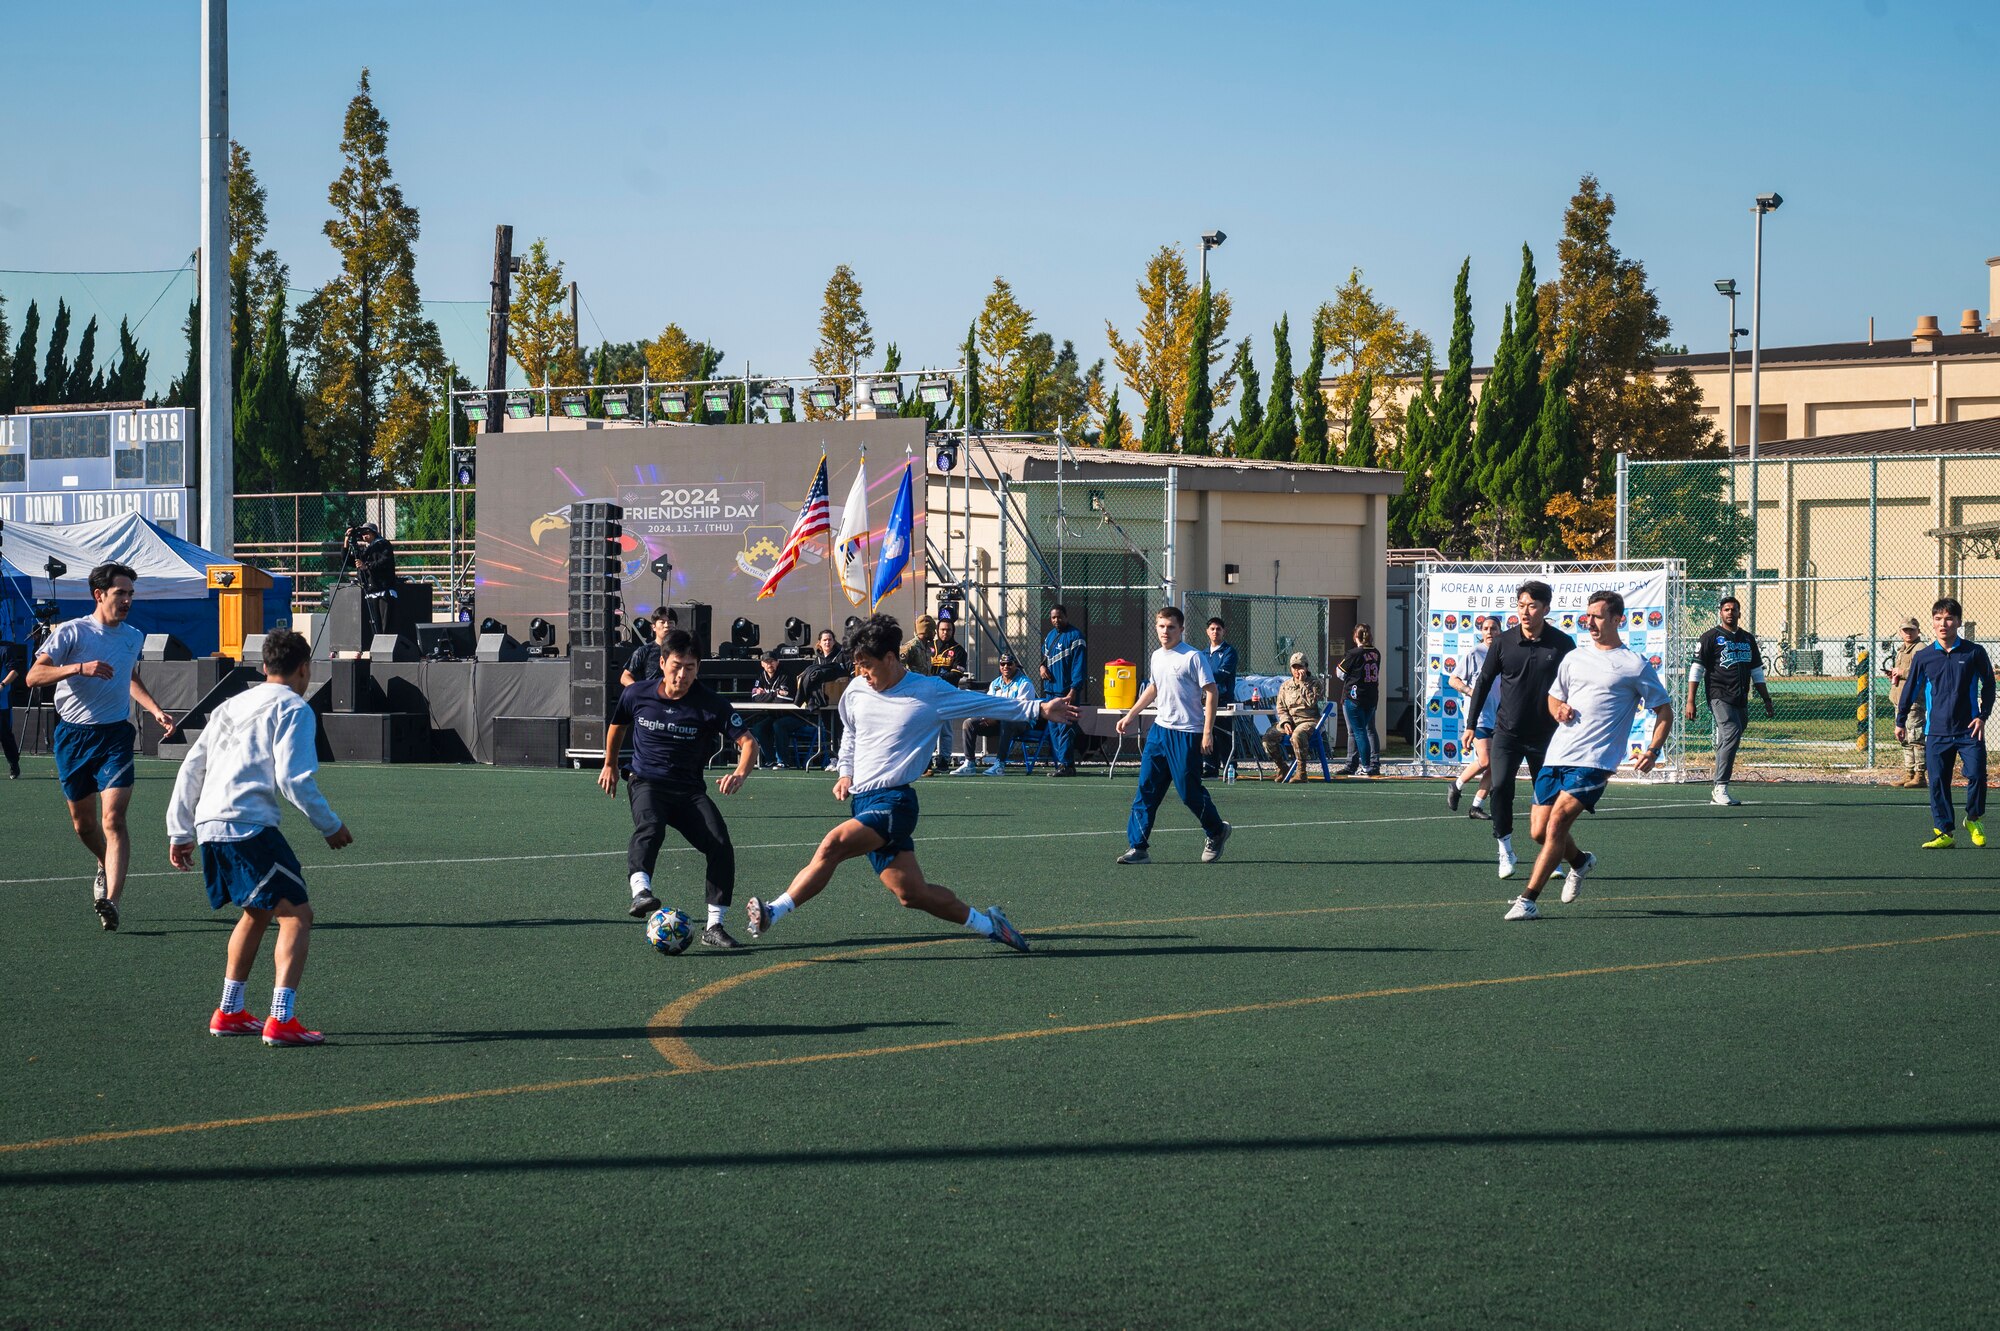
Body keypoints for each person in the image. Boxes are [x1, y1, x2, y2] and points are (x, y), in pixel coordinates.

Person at [743, 615, 1076, 951]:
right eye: (857, 666)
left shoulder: (928, 691)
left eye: (867, 666)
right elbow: (851, 734)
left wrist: (1041, 708)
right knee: (911, 894)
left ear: (890, 658)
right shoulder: (858, 688)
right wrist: (845, 771)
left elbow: (987, 703)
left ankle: (773, 911)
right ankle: (990, 925)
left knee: (833, 844)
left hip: (895, 804)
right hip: (863, 801)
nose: (862, 674)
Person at [166, 629, 351, 1045]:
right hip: (246, 825)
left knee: (258, 912)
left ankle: (230, 1011)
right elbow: (293, 778)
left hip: (211, 824)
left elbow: (191, 767)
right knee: (298, 916)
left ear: (264, 666)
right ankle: (281, 1019)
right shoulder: (295, 708)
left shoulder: (229, 706)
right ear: (305, 668)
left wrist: (179, 829)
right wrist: (330, 825)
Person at [1504, 590, 1673, 922]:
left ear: (1617, 619)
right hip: (1558, 755)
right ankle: (1580, 861)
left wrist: (1653, 751)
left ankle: (1528, 899)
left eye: (1597, 616)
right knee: (1538, 832)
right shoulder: (1574, 658)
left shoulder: (1634, 665)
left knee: (1556, 824)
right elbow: (1554, 699)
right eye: (1588, 615)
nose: (1590, 622)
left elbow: (1664, 712)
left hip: (1596, 760)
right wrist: (1559, 709)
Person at [25, 562, 174, 931]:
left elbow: (128, 675)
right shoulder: (72, 633)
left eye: (131, 594)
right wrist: (78, 668)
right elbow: (33, 676)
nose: (127, 600)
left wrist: (154, 709)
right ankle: (104, 864)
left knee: (114, 819)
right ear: (99, 595)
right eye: (120, 593)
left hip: (115, 737)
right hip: (73, 738)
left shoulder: (132, 636)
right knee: (83, 825)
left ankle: (113, 900)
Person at [600, 627, 757, 948]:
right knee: (651, 826)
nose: (683, 675)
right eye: (677, 666)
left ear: (698, 667)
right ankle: (641, 891)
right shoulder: (637, 694)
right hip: (646, 782)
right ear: (662, 663)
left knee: (720, 845)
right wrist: (610, 764)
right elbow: (617, 726)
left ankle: (715, 927)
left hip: (688, 792)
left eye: (690, 667)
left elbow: (748, 742)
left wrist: (740, 773)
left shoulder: (710, 704)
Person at [1466, 581, 1575, 880]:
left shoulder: (1562, 644)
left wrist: (1571, 710)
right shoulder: (1503, 643)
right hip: (1507, 733)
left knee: (1551, 797)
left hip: (1547, 736)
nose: (1525, 612)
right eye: (1520, 605)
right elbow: (1483, 682)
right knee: (1500, 788)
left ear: (1546, 609)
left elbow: (1576, 685)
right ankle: (1505, 849)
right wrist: (1471, 725)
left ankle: (1552, 855)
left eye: (1532, 606)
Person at [1115, 605, 1231, 864]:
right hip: (1159, 732)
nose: (1165, 631)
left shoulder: (1192, 657)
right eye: (1161, 626)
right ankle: (1138, 847)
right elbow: (1154, 688)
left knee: (1188, 792)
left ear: (1181, 629)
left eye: (1171, 627)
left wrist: (1207, 732)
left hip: (1187, 734)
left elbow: (1211, 692)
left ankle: (1216, 830)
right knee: (1146, 789)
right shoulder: (1156, 656)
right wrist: (1130, 715)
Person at [1895, 597, 1994, 850]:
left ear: (1958, 622)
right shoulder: (1925, 656)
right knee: (1938, 782)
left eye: (1949, 618)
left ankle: (1973, 818)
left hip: (1969, 730)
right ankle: (1944, 831)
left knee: (1977, 776)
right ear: (1933, 622)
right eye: (1938, 619)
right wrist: (1900, 720)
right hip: (1936, 732)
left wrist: (1982, 716)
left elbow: (1990, 685)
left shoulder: (1974, 652)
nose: (1943, 624)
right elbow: (1910, 689)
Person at [1687, 595, 1774, 806]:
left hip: (1740, 697)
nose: (1730, 612)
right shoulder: (1710, 637)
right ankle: (1721, 786)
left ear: (1739, 613)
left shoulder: (1747, 639)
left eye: (1734, 609)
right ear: (1720, 612)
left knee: (1730, 737)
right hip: (1719, 695)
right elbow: (1697, 668)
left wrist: (1766, 699)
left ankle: (1719, 783)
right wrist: (1690, 700)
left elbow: (1756, 671)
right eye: (1726, 609)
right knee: (1731, 733)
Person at [1446, 616, 1499, 819]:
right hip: (1479, 717)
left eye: (1493, 628)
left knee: (1496, 764)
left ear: (1500, 632)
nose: (1489, 632)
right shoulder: (1475, 652)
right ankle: (1456, 785)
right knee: (1485, 760)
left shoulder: (1503, 653)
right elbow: (1453, 679)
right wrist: (1470, 692)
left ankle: (1476, 806)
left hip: (1499, 716)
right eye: (1485, 628)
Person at [953, 653, 1037, 775]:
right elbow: (989, 705)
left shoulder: (1025, 684)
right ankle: (969, 763)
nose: (1006, 667)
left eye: (1009, 664)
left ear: (1016, 666)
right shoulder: (995, 683)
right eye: (1003, 664)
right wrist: (987, 716)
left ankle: (999, 764)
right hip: (998, 721)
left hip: (1021, 723)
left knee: (1007, 722)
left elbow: (1020, 711)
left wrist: (996, 718)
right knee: (969, 723)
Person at [1040, 604, 1087, 777]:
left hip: (1066, 692)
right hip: (1051, 691)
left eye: (1059, 617)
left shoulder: (1076, 637)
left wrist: (1074, 690)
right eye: (1053, 617)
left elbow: (1079, 667)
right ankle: (1061, 763)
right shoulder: (1050, 636)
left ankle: (1066, 765)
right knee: (1053, 728)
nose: (1056, 620)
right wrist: (1041, 668)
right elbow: (1044, 659)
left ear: (1066, 616)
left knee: (1065, 727)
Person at [1333, 624, 1383, 777]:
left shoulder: (1354, 653)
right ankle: (1369, 763)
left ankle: (1366, 765)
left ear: (1356, 636)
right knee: (1368, 729)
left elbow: (1339, 674)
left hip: (1355, 697)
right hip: (1371, 696)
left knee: (1358, 731)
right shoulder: (1376, 653)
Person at [1262, 651, 1321, 781]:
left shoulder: (1315, 683)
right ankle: (1282, 767)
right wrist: (1285, 722)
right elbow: (1281, 708)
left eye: (1300, 666)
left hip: (1308, 721)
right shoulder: (1285, 686)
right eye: (1294, 667)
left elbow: (1311, 701)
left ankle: (1301, 772)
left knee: (1298, 734)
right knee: (1268, 739)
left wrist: (1302, 683)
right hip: (1291, 721)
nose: (1297, 670)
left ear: (1306, 667)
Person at [1885, 616, 1927, 789]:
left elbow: (1921, 671)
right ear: (1900, 631)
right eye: (1905, 630)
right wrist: (1894, 674)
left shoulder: (1920, 648)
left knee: (1916, 737)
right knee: (1904, 738)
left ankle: (1920, 774)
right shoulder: (1903, 649)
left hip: (1913, 701)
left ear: (1918, 630)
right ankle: (1909, 772)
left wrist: (1901, 672)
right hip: (1900, 698)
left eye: (1911, 629)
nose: (1908, 633)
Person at [747, 651, 801, 769]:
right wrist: (775, 693)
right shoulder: (761, 676)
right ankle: (770, 760)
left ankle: (783, 761)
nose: (769, 664)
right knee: (758, 728)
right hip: (774, 715)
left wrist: (765, 693)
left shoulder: (785, 675)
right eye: (766, 662)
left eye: (772, 661)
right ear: (762, 664)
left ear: (777, 662)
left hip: (794, 716)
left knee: (778, 725)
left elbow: (784, 699)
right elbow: (755, 698)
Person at [1201, 617, 1239, 777]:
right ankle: (1210, 767)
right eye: (1212, 629)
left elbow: (1220, 674)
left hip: (1223, 700)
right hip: (1205, 701)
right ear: (1207, 632)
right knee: (1208, 732)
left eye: (1218, 629)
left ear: (1224, 631)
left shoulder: (1229, 652)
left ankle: (1231, 768)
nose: (1215, 632)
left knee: (1224, 734)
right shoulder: (1202, 654)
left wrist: (1201, 679)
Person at [351, 522, 399, 641]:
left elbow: (385, 561)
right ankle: (377, 647)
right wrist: (348, 540)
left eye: (366, 533)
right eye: (362, 534)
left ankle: (386, 648)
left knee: (385, 622)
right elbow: (351, 560)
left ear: (373, 533)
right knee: (374, 623)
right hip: (371, 589)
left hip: (384, 588)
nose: (364, 536)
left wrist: (366, 566)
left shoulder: (383, 544)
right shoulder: (366, 549)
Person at [620, 609, 675, 688]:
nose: (666, 625)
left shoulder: (682, 650)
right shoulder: (643, 651)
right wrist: (640, 691)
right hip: (653, 697)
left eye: (670, 622)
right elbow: (625, 677)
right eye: (662, 622)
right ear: (653, 627)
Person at [0, 650, 21, 779]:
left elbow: (15, 671)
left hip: (2, 703)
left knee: (5, 736)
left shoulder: (5, 651)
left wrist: (2, 684)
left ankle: (14, 764)